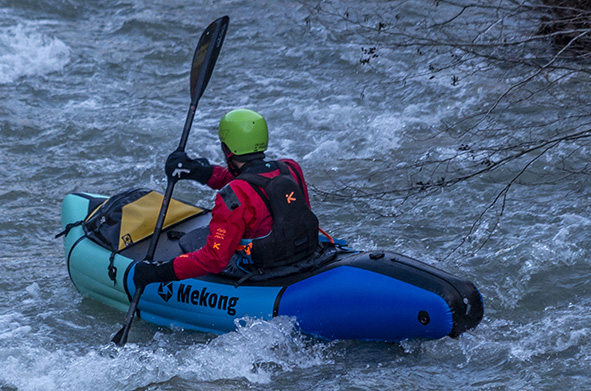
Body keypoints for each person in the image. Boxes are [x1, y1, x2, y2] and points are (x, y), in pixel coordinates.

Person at [133, 108, 319, 288]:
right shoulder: (291, 168)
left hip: (265, 268)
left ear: (227, 149)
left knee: (195, 241)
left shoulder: (233, 195)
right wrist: (198, 171)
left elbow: (214, 259)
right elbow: (254, 183)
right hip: (303, 254)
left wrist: (159, 272)